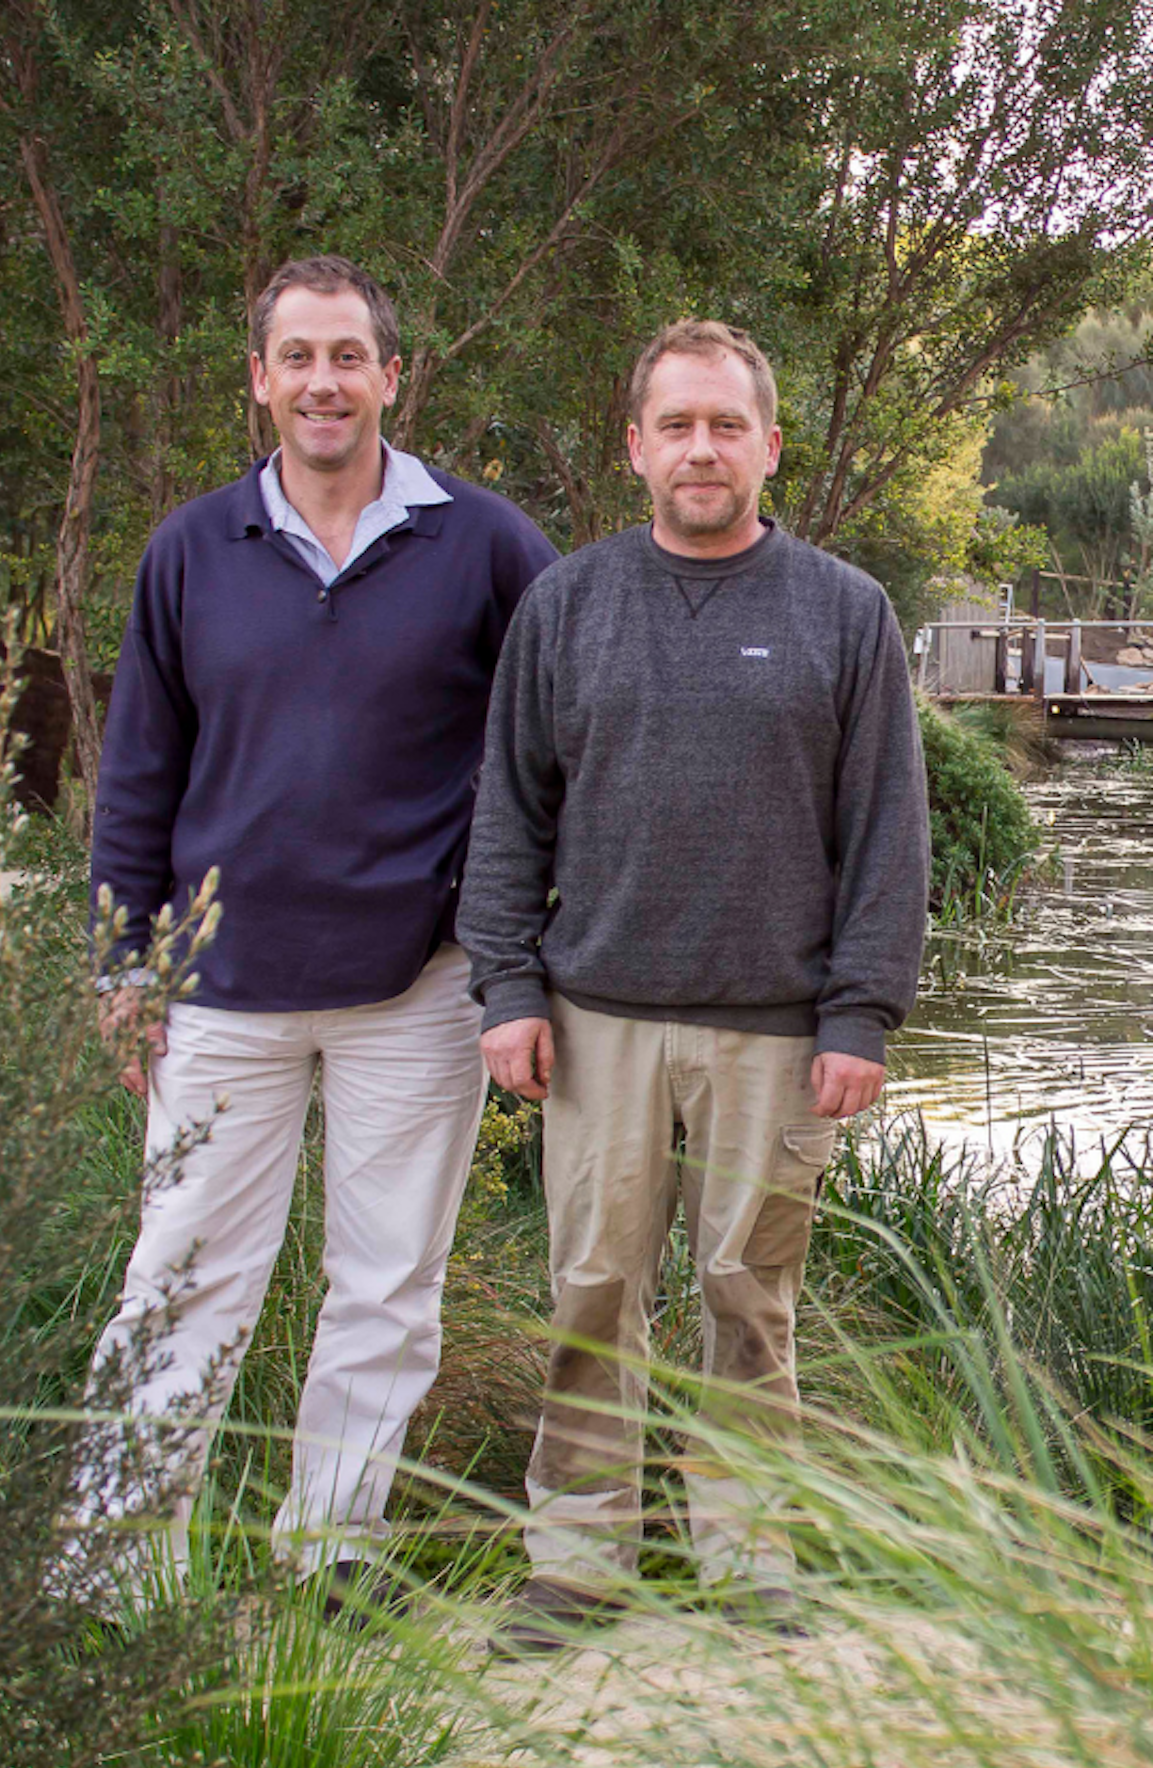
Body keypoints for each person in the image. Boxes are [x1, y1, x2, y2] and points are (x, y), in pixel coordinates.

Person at [81, 255, 556, 1610]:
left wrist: (512, 939)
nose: (323, 381)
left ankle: (331, 1557)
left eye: (348, 355)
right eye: (297, 356)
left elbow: (557, 734)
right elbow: (136, 776)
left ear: (391, 376)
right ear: (260, 380)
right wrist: (127, 962)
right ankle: (116, 1579)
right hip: (218, 993)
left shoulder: (486, 543)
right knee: (178, 1283)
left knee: (387, 1287)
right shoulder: (191, 551)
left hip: (416, 985)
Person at [456, 318, 929, 1649]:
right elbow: (509, 816)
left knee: (749, 1295)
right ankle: (576, 1561)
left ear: (772, 445)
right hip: (595, 1017)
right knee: (593, 1289)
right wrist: (505, 991)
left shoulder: (845, 612)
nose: (703, 449)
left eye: (728, 426)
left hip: (776, 1031)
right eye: (678, 425)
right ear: (636, 448)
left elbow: (889, 832)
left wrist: (861, 1013)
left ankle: (745, 1555)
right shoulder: (568, 605)